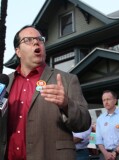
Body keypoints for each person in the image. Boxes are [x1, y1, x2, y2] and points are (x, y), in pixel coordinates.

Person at [0, 25, 91, 160]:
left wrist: (66, 104)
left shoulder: (67, 80)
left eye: (40, 39)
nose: (36, 42)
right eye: (28, 40)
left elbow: (84, 123)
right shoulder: (5, 83)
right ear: (18, 51)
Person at [96, 90, 119, 160]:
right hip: (105, 155)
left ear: (115, 101)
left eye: (108, 99)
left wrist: (115, 152)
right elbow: (98, 140)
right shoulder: (100, 119)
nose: (106, 102)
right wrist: (106, 154)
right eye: (104, 100)